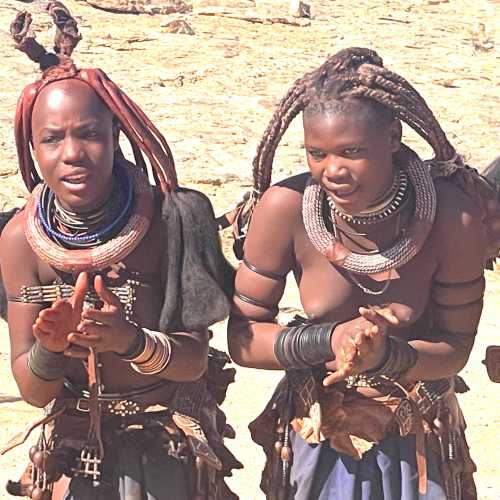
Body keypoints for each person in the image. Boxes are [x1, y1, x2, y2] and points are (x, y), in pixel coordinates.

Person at [227, 47, 500, 500]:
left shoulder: (452, 216)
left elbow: (455, 348)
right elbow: (242, 338)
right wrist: (327, 342)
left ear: (393, 136)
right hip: (315, 431)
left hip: (417, 442)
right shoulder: (286, 208)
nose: (332, 171)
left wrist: (386, 356)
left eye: (352, 152)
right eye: (317, 153)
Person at [0, 3, 240, 499]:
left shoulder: (174, 219)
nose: (71, 153)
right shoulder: (21, 240)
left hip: (170, 442)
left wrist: (131, 342)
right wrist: (51, 345)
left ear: (115, 135)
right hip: (73, 446)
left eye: (88, 133)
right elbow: (32, 389)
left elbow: (194, 359)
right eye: (51, 139)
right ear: (32, 147)